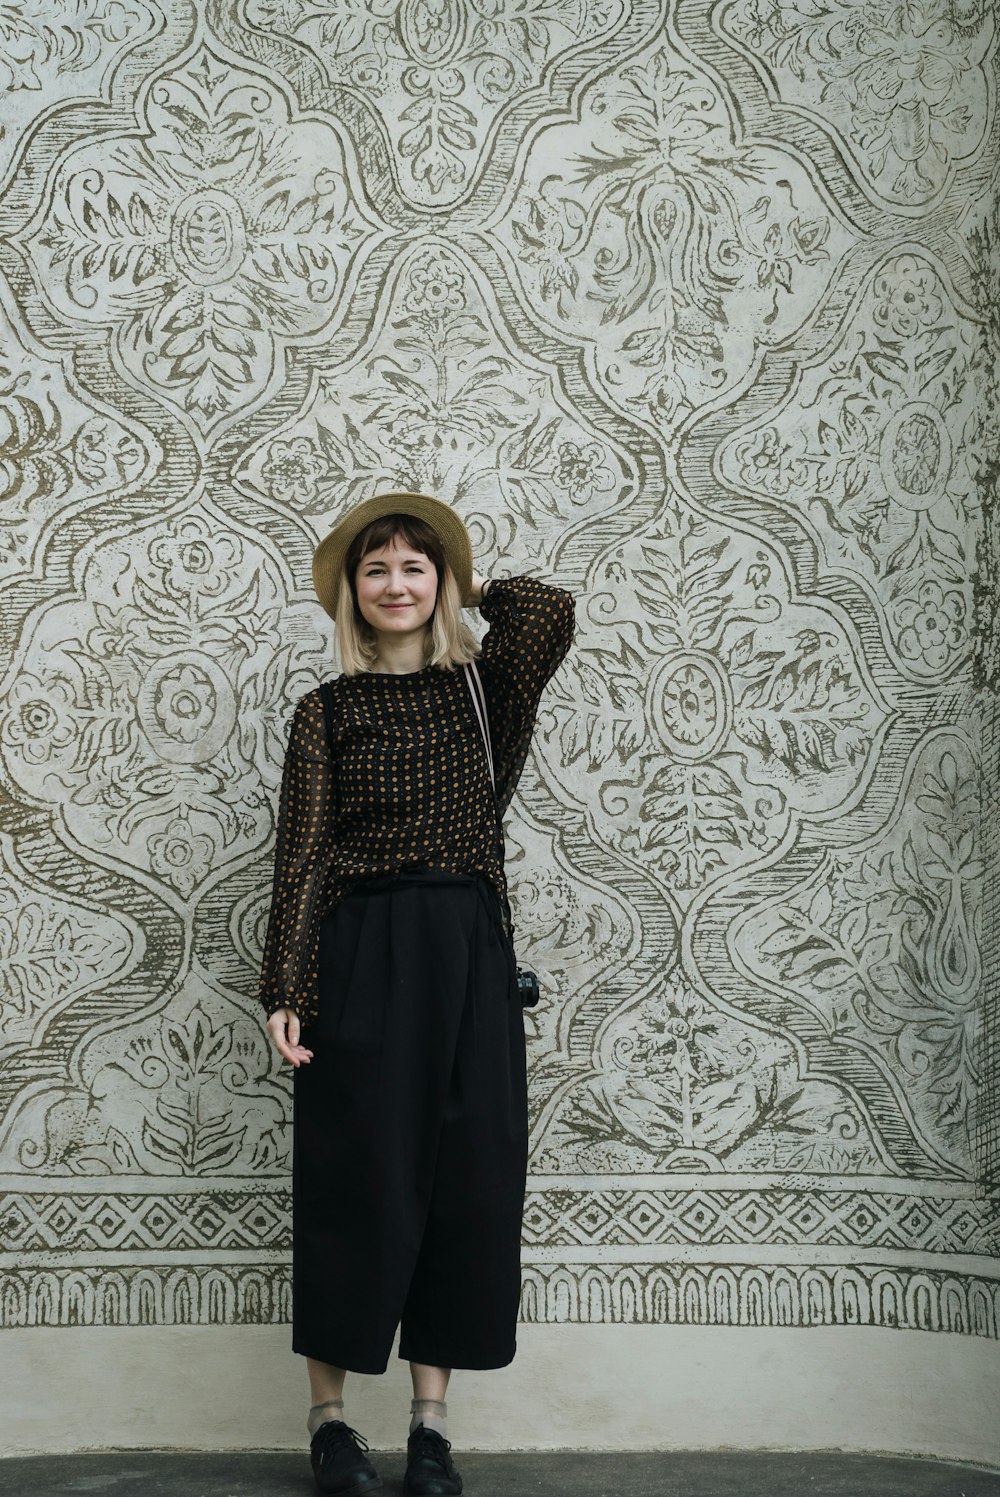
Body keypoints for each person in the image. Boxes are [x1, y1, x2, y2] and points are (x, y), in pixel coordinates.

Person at [258, 491, 575, 1496]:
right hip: (363, 951)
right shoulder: (328, 711)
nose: (395, 584)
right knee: (356, 1181)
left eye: (413, 567)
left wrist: (471, 575)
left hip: (469, 953)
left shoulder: (486, 691)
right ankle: (329, 1423)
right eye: (375, 569)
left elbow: (549, 612)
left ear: (438, 585)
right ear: (351, 593)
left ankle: (430, 1427)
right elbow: (302, 856)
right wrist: (287, 985)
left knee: (465, 1187)